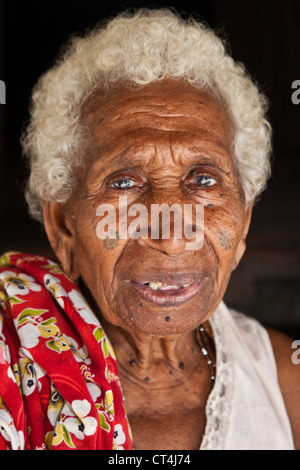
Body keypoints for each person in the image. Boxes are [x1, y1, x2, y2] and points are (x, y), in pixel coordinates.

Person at [0, 8, 299, 451]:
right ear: (63, 224)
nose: (172, 234)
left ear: (243, 222)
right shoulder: (11, 364)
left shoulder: (285, 380)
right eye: (123, 182)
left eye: (203, 179)